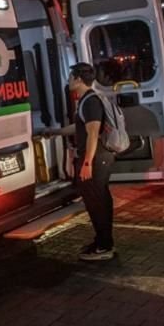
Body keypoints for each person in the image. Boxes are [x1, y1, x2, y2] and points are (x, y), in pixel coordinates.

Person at [48, 63, 115, 261]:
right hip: (98, 157)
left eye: (70, 77)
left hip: (96, 158)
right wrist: (55, 132)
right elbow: (81, 127)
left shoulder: (90, 101)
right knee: (99, 200)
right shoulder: (86, 100)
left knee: (97, 201)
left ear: (78, 79)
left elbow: (93, 133)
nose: (68, 81)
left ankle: (104, 247)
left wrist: (87, 163)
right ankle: (103, 241)